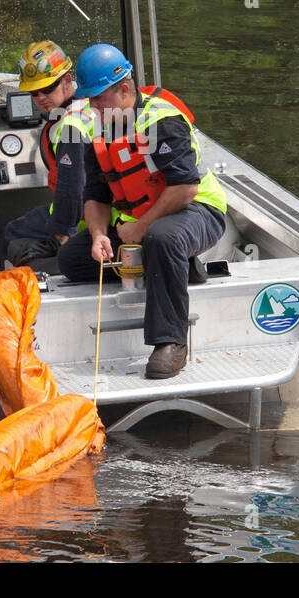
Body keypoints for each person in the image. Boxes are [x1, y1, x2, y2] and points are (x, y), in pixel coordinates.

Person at [56, 44, 227, 378]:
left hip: (197, 210)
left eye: (99, 99)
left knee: (163, 239)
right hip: (145, 223)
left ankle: (171, 342)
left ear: (123, 90)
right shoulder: (98, 129)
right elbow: (95, 195)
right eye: (89, 99)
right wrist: (98, 235)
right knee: (72, 259)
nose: (93, 107)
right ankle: (173, 267)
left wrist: (141, 228)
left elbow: (185, 188)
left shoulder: (161, 120)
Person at [0, 40, 94, 267]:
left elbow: (72, 188)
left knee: (12, 233)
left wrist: (63, 232)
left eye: (49, 88)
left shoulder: (69, 127)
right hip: (97, 206)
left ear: (68, 80)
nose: (41, 97)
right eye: (34, 92)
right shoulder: (93, 104)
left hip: (84, 214)